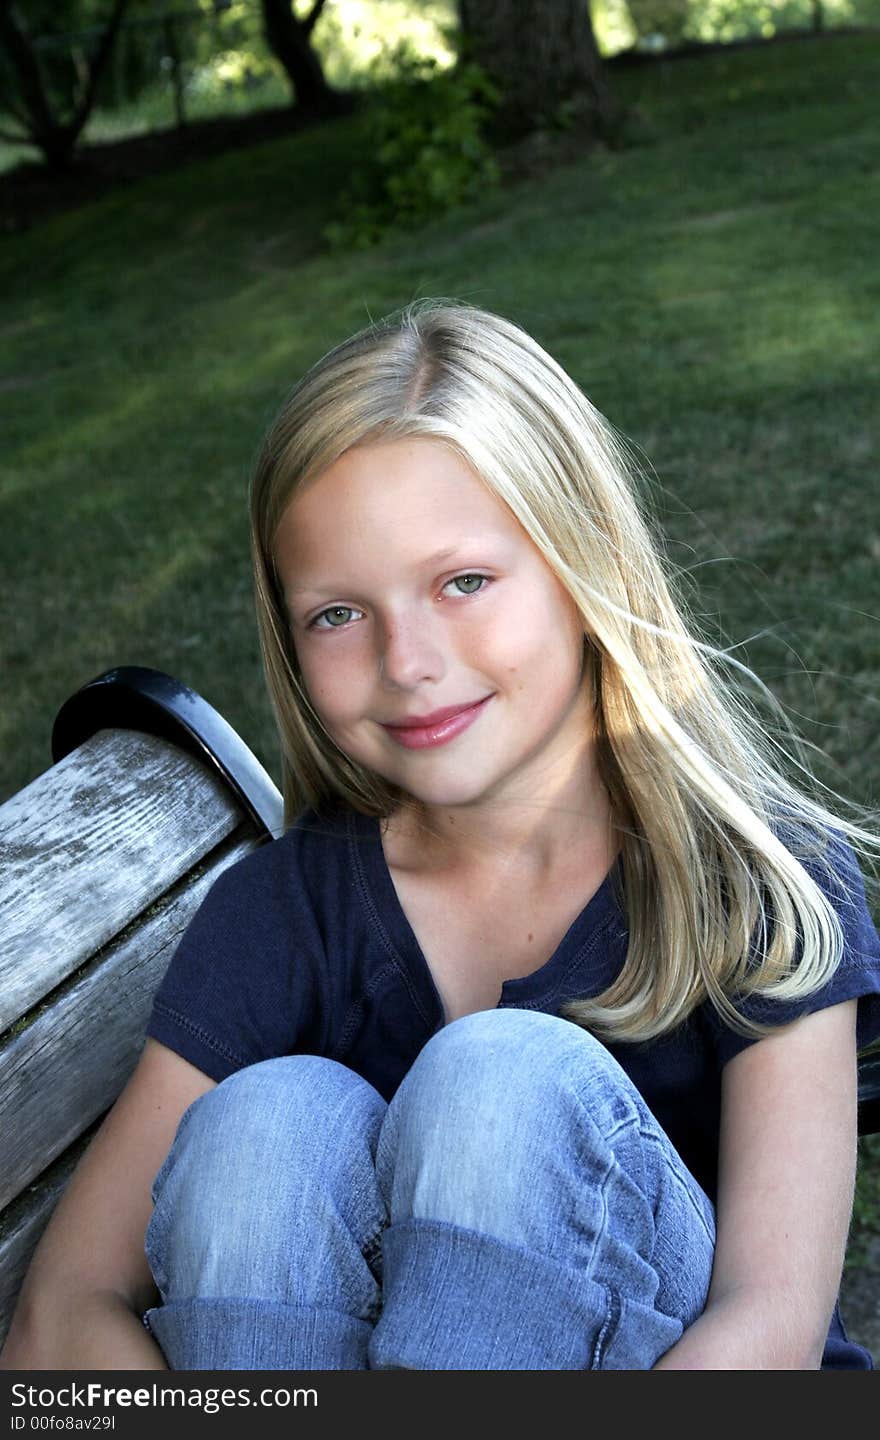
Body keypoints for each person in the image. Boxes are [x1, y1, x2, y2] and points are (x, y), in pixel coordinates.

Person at [3, 298, 880, 1371]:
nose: (407, 661)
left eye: (462, 582)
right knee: (265, 1129)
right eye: (337, 612)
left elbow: (772, 1326)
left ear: (583, 564)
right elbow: (62, 1312)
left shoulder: (754, 885)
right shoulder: (283, 915)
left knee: (499, 1090)